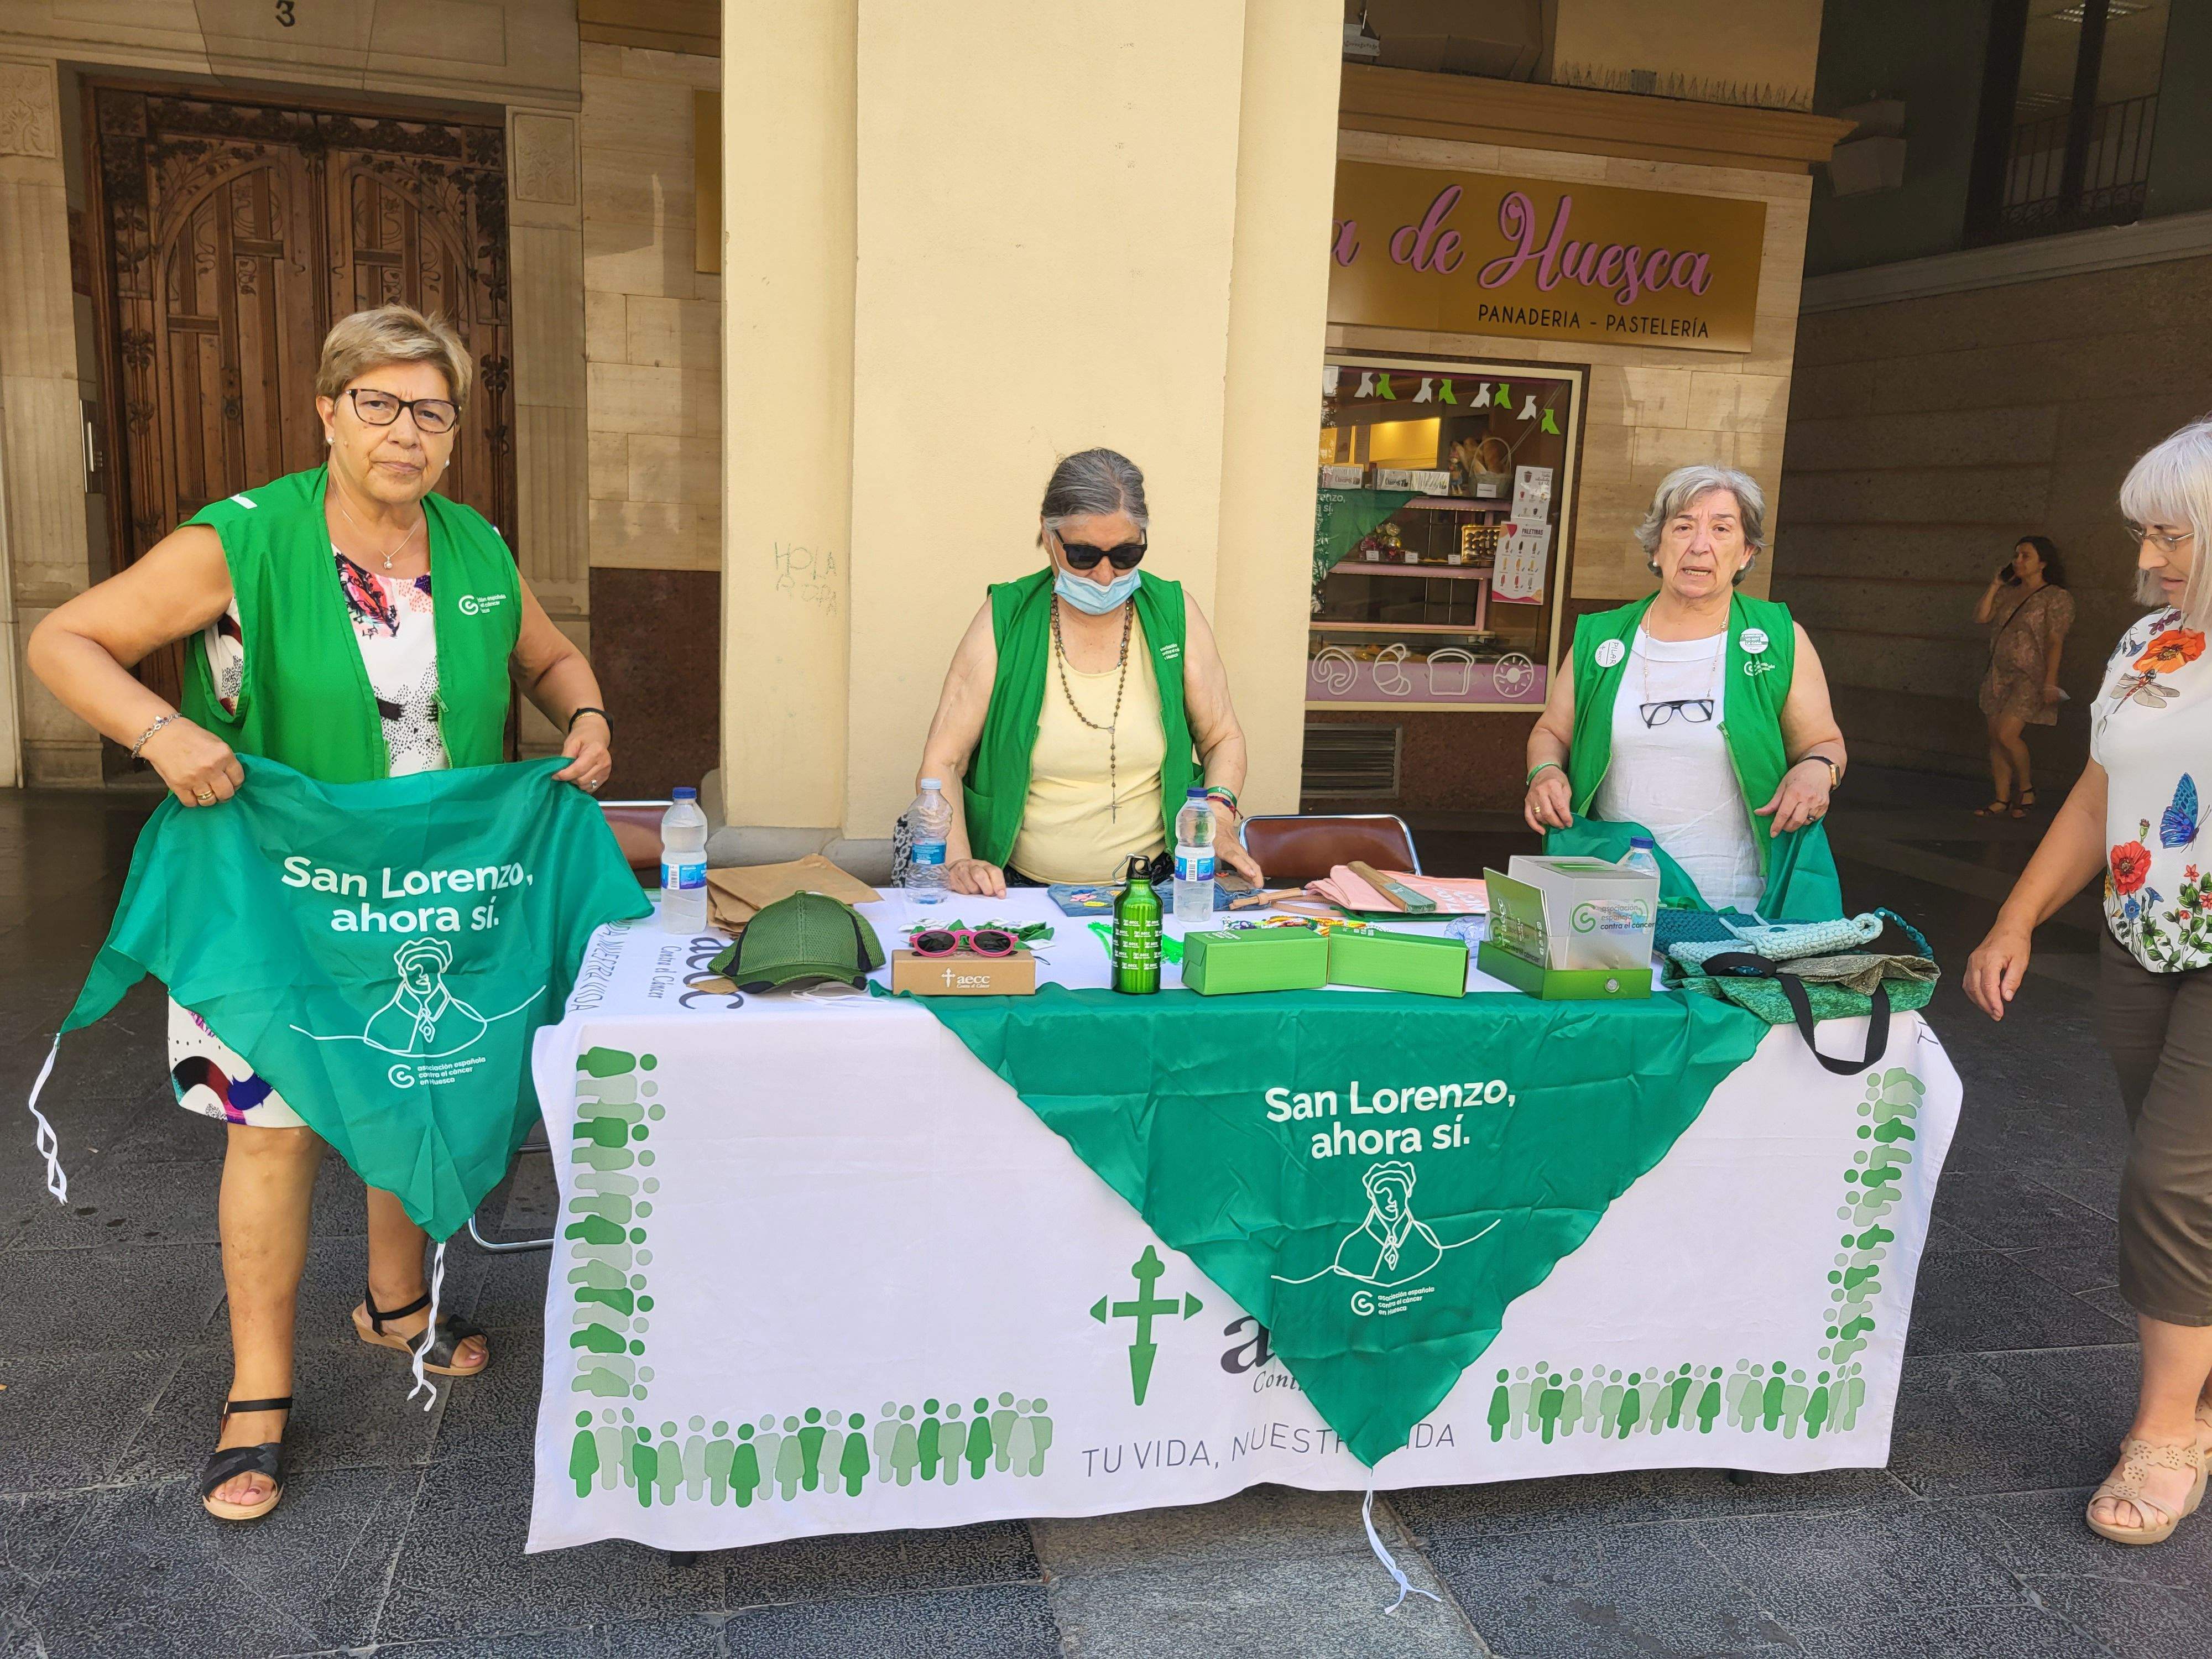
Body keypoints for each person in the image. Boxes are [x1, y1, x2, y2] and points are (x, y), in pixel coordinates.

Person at [26, 304, 616, 1522]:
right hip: (276, 893)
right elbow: (65, 639)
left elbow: (551, 663)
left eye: (432, 410)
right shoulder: (238, 542)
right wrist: (161, 729)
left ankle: (397, 1304)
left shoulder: (477, 549)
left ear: (458, 428)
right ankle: (257, 1396)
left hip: (426, 890)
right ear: (329, 411)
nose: (407, 432)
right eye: (380, 405)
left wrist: (590, 719)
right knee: (276, 1128)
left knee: (413, 1078)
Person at [1965, 418, 2212, 1547]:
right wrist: (2016, 916)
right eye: (2142, 534)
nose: (2147, 560)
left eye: (2170, 533)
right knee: (2187, 1188)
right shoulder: (2146, 646)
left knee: (2170, 1185)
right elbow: (2094, 793)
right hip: (2138, 943)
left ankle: (2167, 1430)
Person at [914, 448, 1264, 896]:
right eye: (1082, 555)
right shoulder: (1004, 618)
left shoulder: (1175, 615)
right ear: (1048, 534)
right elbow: (944, 759)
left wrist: (1218, 814)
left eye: (1125, 554)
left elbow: (1222, 737)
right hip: (1021, 890)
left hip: (1155, 888)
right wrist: (961, 862)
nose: (1104, 576)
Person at [1522, 464, 1847, 920]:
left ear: (1747, 553)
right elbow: (1552, 731)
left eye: (1721, 529)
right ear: (1656, 546)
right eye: (1683, 527)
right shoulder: (1602, 637)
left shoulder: (1780, 638)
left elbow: (1823, 744)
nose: (1700, 545)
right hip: (1611, 894)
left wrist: (1817, 772)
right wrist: (1545, 773)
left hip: (1739, 902)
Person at [1973, 535, 2074, 818]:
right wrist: (1995, 585)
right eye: (2016, 555)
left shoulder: (2056, 597)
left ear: (2042, 563)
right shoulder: (2008, 593)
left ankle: (2027, 788)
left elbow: (2056, 641)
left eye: (2025, 556)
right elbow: (1981, 617)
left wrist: (2050, 681)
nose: (2018, 561)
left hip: (2029, 675)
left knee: (2007, 733)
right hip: (1997, 672)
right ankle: (2001, 798)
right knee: (1995, 736)